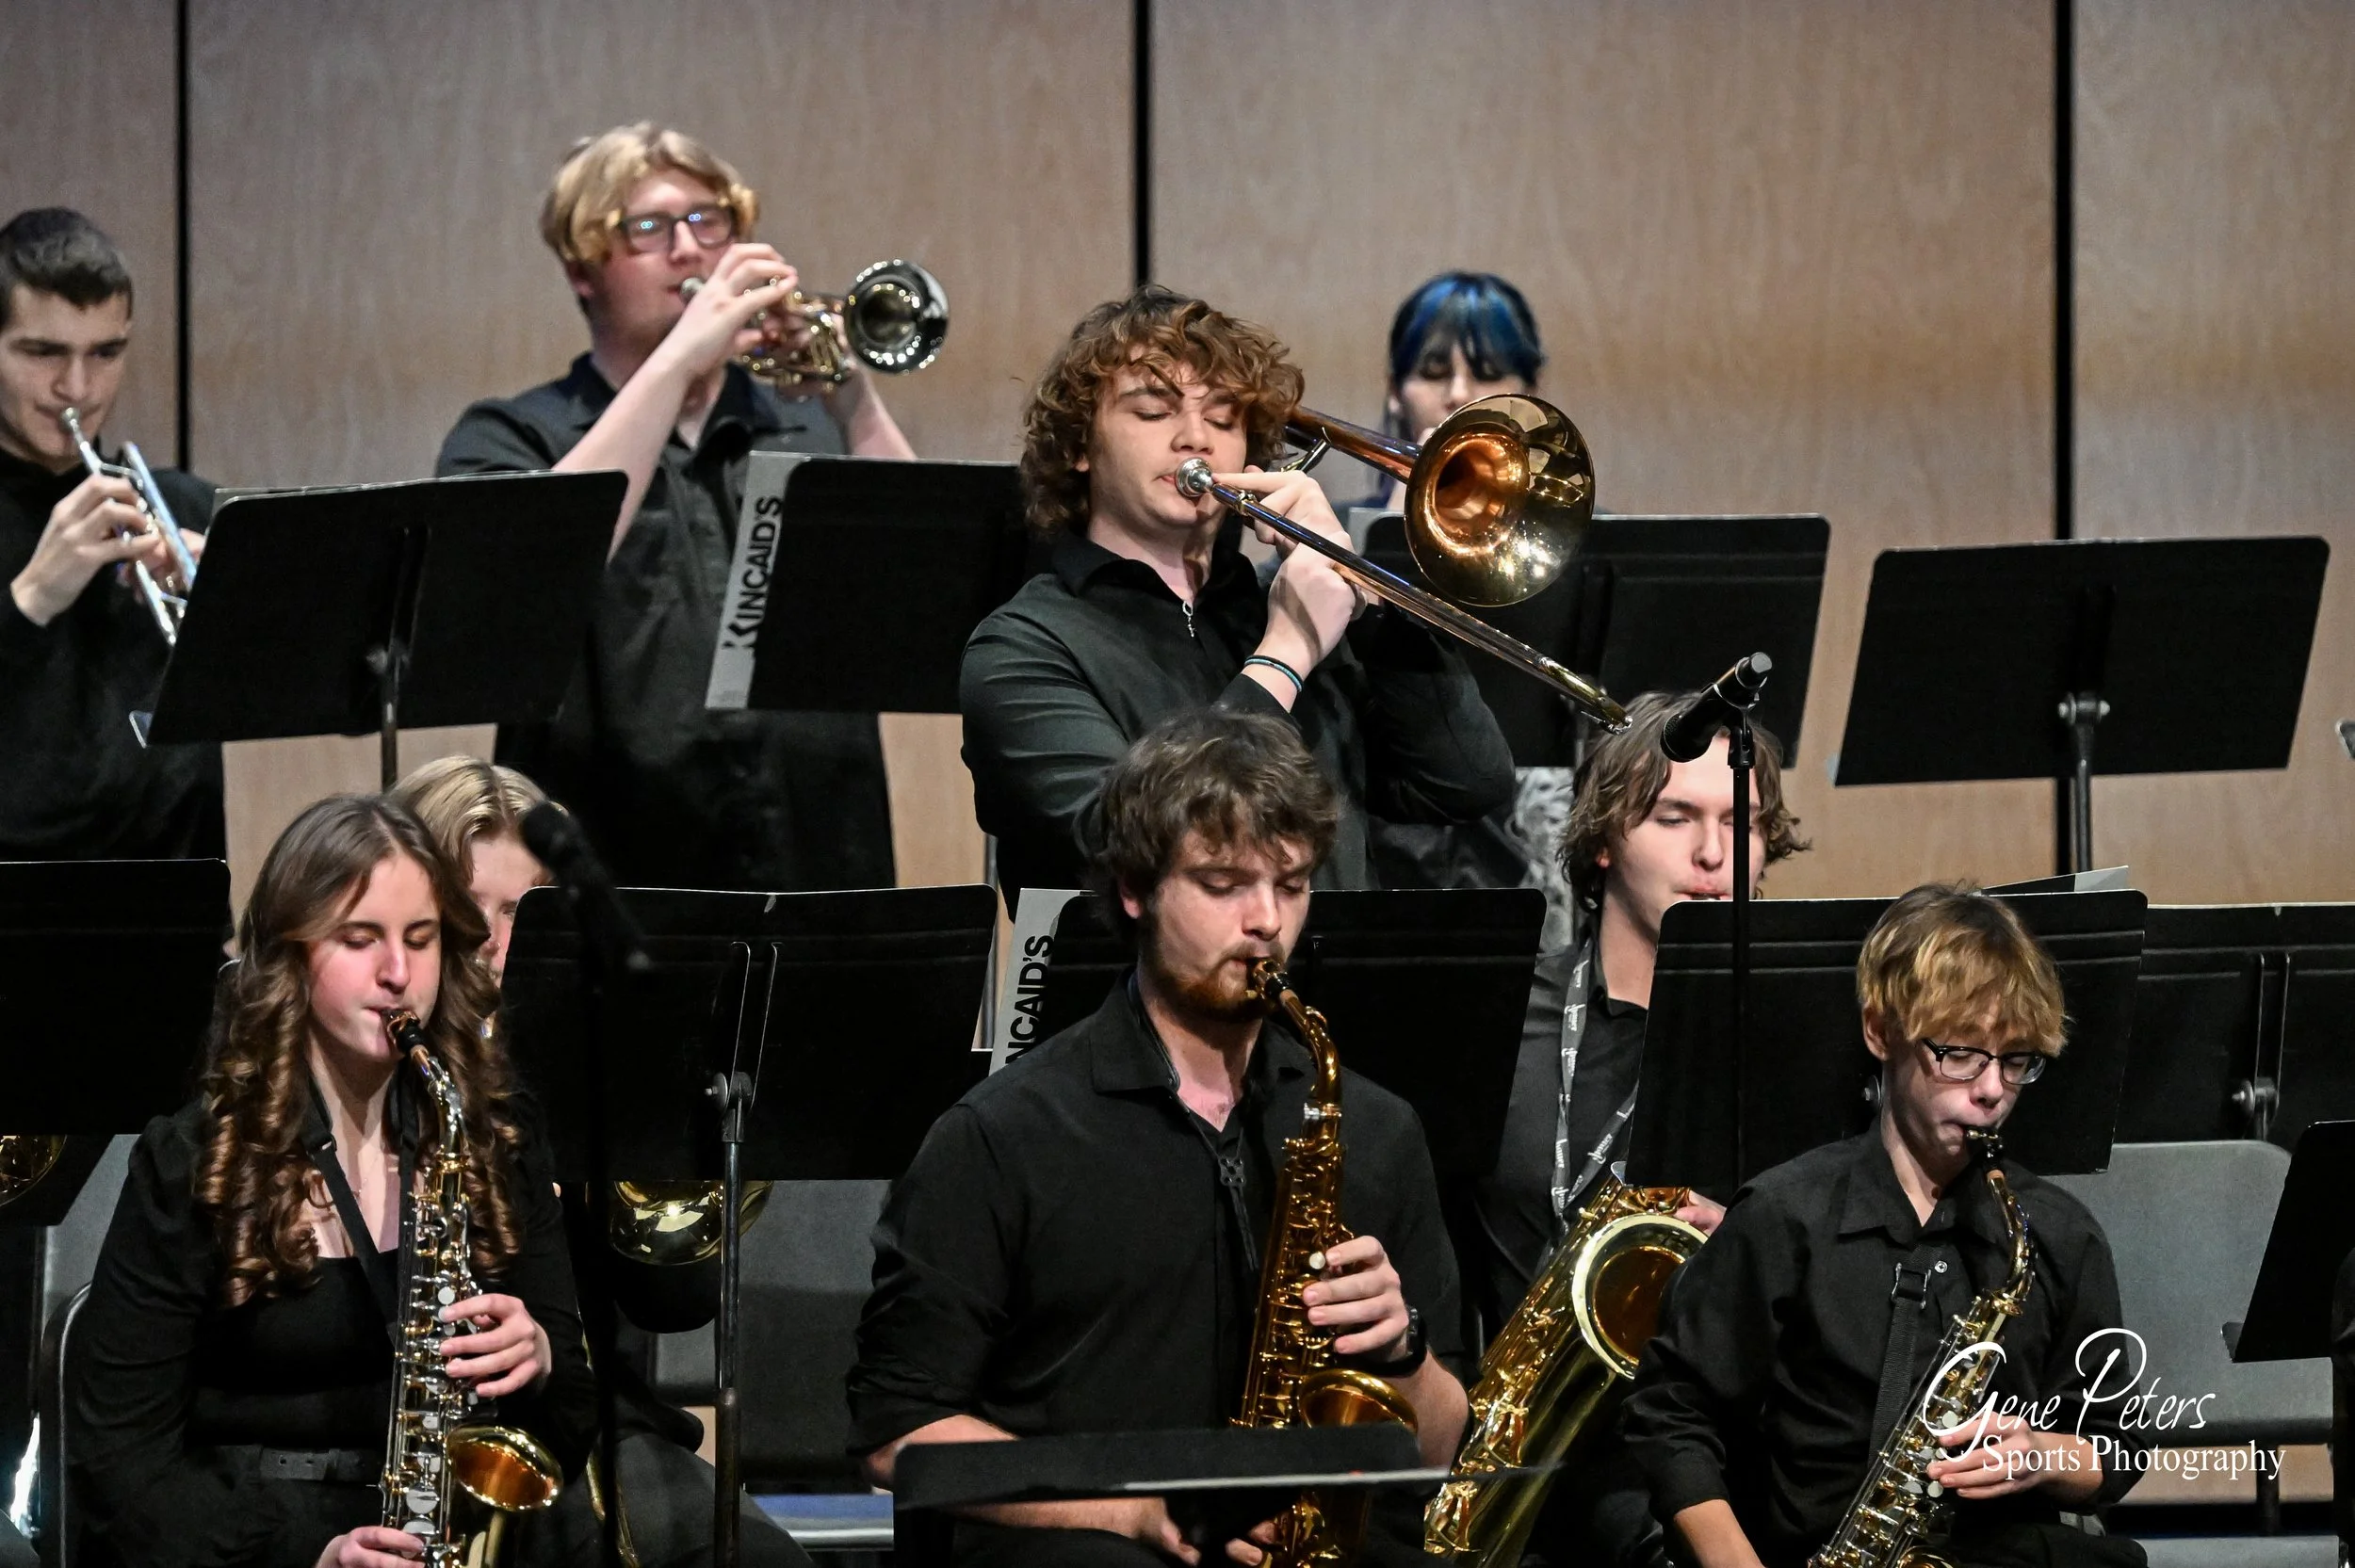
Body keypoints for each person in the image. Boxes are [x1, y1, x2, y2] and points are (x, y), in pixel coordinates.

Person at [850, 709, 1470, 1565]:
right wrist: (1129, 1509)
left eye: (1290, 885)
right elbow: (899, 1436)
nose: (1266, 922)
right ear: (1136, 889)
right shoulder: (1001, 1134)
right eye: (1224, 884)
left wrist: (1402, 1349)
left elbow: (1438, 1454)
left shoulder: (1376, 1126)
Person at [67, 794, 595, 1568]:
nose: (397, 973)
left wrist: (541, 1357)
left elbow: (574, 1418)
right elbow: (116, 1463)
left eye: (421, 939)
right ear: (291, 954)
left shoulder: (491, 1133)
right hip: (243, 1542)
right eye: (359, 940)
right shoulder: (196, 1159)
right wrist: (306, 1553)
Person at [437, 122, 911, 895]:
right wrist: (681, 357)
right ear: (582, 267)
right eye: (649, 228)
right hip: (616, 877)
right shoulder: (515, 434)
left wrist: (849, 392)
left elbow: (914, 579)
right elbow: (535, 578)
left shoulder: (801, 424)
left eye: (709, 220)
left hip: (822, 863)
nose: (689, 249)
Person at [1623, 884, 2149, 1568]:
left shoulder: (2057, 1233)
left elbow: (2118, 1446)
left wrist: (2042, 1455)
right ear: (1881, 1031)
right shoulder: (1786, 1216)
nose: (1991, 1089)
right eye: (1960, 1052)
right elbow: (1672, 1415)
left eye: (2015, 1058)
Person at [388, 753, 814, 1568]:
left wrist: (592, 1166)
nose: (499, 947)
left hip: (587, 1422)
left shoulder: (583, 1062)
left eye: (525, 913)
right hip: (414, 1426)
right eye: (469, 916)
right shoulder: (378, 1066)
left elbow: (677, 1297)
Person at [961, 284, 1516, 905]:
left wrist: (1368, 605)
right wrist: (1283, 657)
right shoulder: (1025, 646)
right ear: (1078, 448)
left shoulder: (1287, 605)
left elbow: (1469, 782)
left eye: (1224, 417)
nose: (1195, 437)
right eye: (1153, 412)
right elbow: (1134, 846)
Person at [1456, 691, 1807, 1568]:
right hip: (1515, 1478)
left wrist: (1762, 1249)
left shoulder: (1809, 1043)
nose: (1714, 854)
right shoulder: (1498, 1018)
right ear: (1604, 837)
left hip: (1735, 1475)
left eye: (1743, 823)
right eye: (1674, 815)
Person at [0, 207, 221, 865]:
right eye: (43, 353)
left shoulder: (182, 505)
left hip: (177, 903)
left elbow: (327, 690)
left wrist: (238, 611)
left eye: (105, 352)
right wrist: (32, 597)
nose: (77, 387)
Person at [1344, 271, 1572, 910]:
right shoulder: (1331, 535)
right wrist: (1402, 523)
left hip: (1544, 856)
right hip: (1389, 847)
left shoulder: (1583, 539)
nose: (1460, 395)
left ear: (1531, 390)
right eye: (1434, 372)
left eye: (1489, 371)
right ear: (1395, 390)